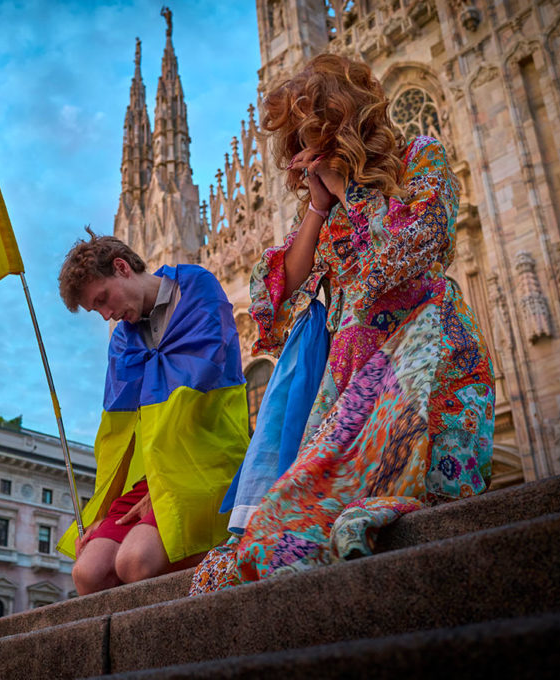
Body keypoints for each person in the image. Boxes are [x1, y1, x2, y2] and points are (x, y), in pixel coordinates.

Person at [190, 53, 494, 594]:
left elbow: (400, 259)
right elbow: (274, 306)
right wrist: (316, 205)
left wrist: (348, 188)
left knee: (429, 513)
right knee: (298, 517)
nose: (305, 152)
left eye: (313, 134)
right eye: (298, 142)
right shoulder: (326, 208)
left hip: (423, 356)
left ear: (342, 123)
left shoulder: (418, 159)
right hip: (352, 379)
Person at [54, 230, 249, 594]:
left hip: (205, 462)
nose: (107, 315)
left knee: (135, 562)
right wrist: (104, 510)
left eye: (103, 300)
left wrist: (166, 486)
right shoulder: (123, 341)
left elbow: (197, 390)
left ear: (122, 267)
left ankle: (224, 567)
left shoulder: (195, 288)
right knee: (88, 573)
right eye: (98, 311)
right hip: (153, 473)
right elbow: (118, 434)